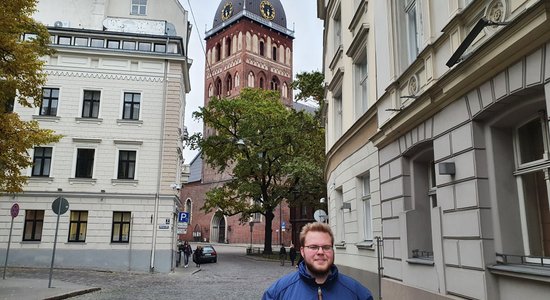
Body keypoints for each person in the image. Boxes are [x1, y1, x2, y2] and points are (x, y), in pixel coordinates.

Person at [262, 222, 373, 300]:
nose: (320, 252)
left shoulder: (358, 294)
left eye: (326, 247)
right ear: (302, 251)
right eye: (313, 247)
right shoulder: (278, 293)